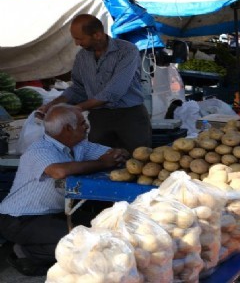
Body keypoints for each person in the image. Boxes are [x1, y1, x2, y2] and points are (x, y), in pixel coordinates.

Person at [0, 104, 127, 276]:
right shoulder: (39, 149)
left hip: (55, 214)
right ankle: (25, 253)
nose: (87, 126)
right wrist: (103, 163)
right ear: (68, 128)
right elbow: (59, 171)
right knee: (86, 243)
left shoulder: (80, 145)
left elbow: (114, 154)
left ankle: (43, 247)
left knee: (107, 227)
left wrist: (117, 155)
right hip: (20, 218)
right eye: (83, 123)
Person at [37, 14, 151, 152]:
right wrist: (51, 105)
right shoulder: (82, 56)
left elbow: (113, 92)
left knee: (138, 161)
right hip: (99, 118)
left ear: (97, 35)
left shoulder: (127, 51)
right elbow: (78, 88)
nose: (76, 43)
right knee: (100, 161)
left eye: (79, 39)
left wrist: (75, 109)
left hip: (130, 117)